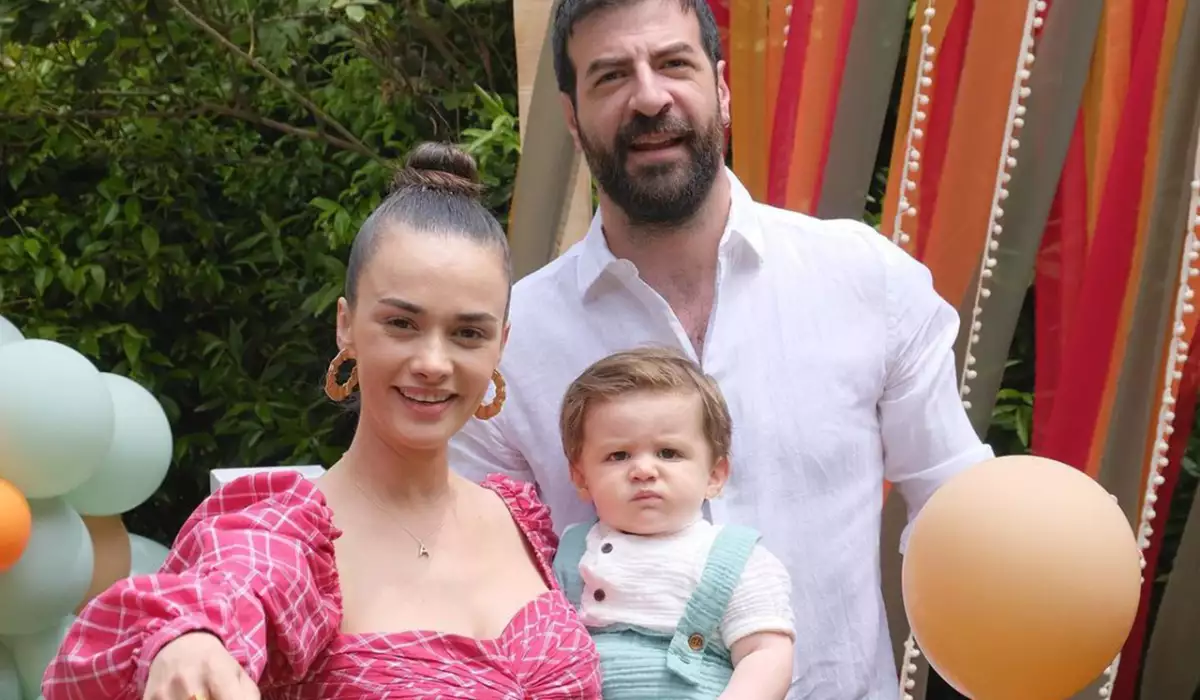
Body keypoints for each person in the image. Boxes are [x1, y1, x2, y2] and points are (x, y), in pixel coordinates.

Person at [447, 0, 996, 696]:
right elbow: (472, 583)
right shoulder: (507, 345)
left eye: (674, 63)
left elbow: (959, 510)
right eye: (611, 76)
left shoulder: (867, 281)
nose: (650, 98)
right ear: (572, 117)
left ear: (722, 86)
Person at [42, 143, 602, 700]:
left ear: (501, 343)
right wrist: (189, 641)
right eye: (401, 324)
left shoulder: (523, 519)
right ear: (346, 324)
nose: (433, 362)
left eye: (468, 333)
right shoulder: (285, 535)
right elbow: (231, 586)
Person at [550, 347, 795, 700]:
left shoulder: (736, 559)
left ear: (714, 475)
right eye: (618, 455)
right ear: (581, 477)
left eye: (668, 453)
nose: (643, 470)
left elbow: (765, 654)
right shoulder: (568, 554)